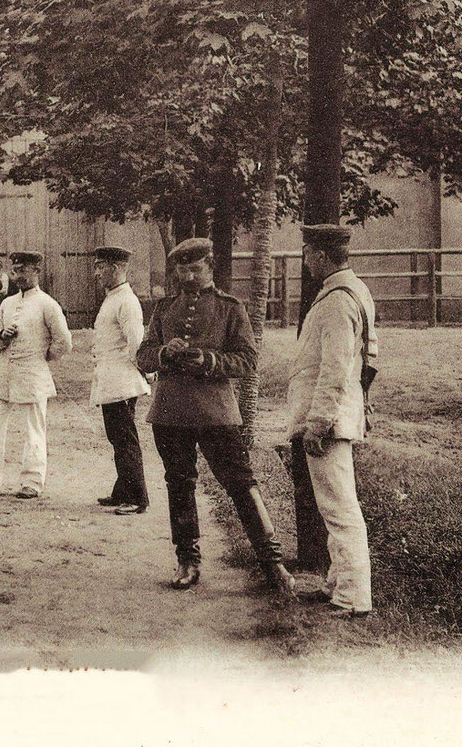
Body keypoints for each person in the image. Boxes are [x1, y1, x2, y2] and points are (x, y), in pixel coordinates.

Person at [136, 238, 295, 594]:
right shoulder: (164, 308)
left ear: (210, 268)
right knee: (179, 484)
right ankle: (187, 561)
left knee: (240, 483)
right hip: (171, 412)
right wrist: (165, 352)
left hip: (216, 413)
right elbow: (143, 356)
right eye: (182, 269)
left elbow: (248, 360)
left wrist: (208, 361)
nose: (189, 276)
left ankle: (272, 564)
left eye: (196, 269)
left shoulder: (230, 308)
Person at [286, 224, 378, 619]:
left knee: (340, 509)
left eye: (307, 254)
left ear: (322, 256)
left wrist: (318, 422)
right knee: (335, 506)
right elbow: (369, 361)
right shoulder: (352, 291)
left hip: (329, 422)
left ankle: (354, 596)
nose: (305, 261)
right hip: (338, 416)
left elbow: (335, 369)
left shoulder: (338, 301)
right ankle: (338, 583)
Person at [0, 251, 72, 500]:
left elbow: (64, 342)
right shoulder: (7, 303)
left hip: (32, 373)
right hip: (2, 374)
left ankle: (32, 482)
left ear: (37, 272)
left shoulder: (48, 304)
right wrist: (2, 337)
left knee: (33, 429)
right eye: (16, 270)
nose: (19, 276)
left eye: (24, 270)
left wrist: (42, 359)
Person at [90, 245, 152, 516]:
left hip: (121, 380)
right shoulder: (113, 297)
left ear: (116, 268)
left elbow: (136, 343)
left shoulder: (127, 300)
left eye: (100, 266)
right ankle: (122, 491)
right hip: (111, 379)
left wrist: (143, 373)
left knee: (125, 439)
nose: (96, 272)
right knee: (118, 437)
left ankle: (138, 498)